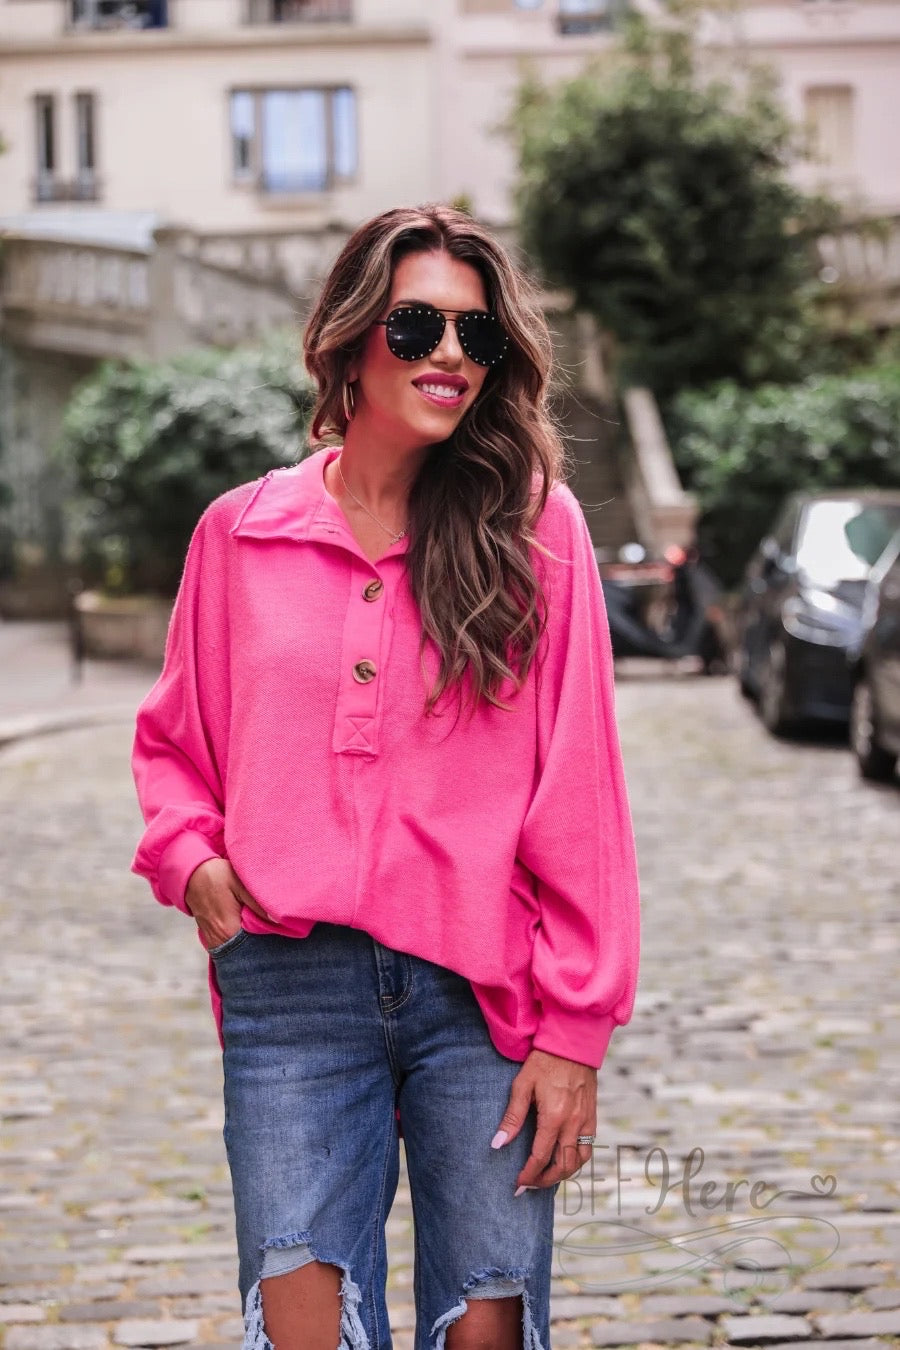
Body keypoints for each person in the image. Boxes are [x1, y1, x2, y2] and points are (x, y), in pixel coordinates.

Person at [130, 204, 640, 1350]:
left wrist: (575, 1032)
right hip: (291, 995)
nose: (451, 353)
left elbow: (583, 789)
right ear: (350, 340)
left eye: (476, 333)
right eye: (417, 326)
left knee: (487, 1329)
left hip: (485, 996)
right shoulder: (240, 534)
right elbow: (174, 745)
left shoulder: (536, 530)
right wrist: (193, 859)